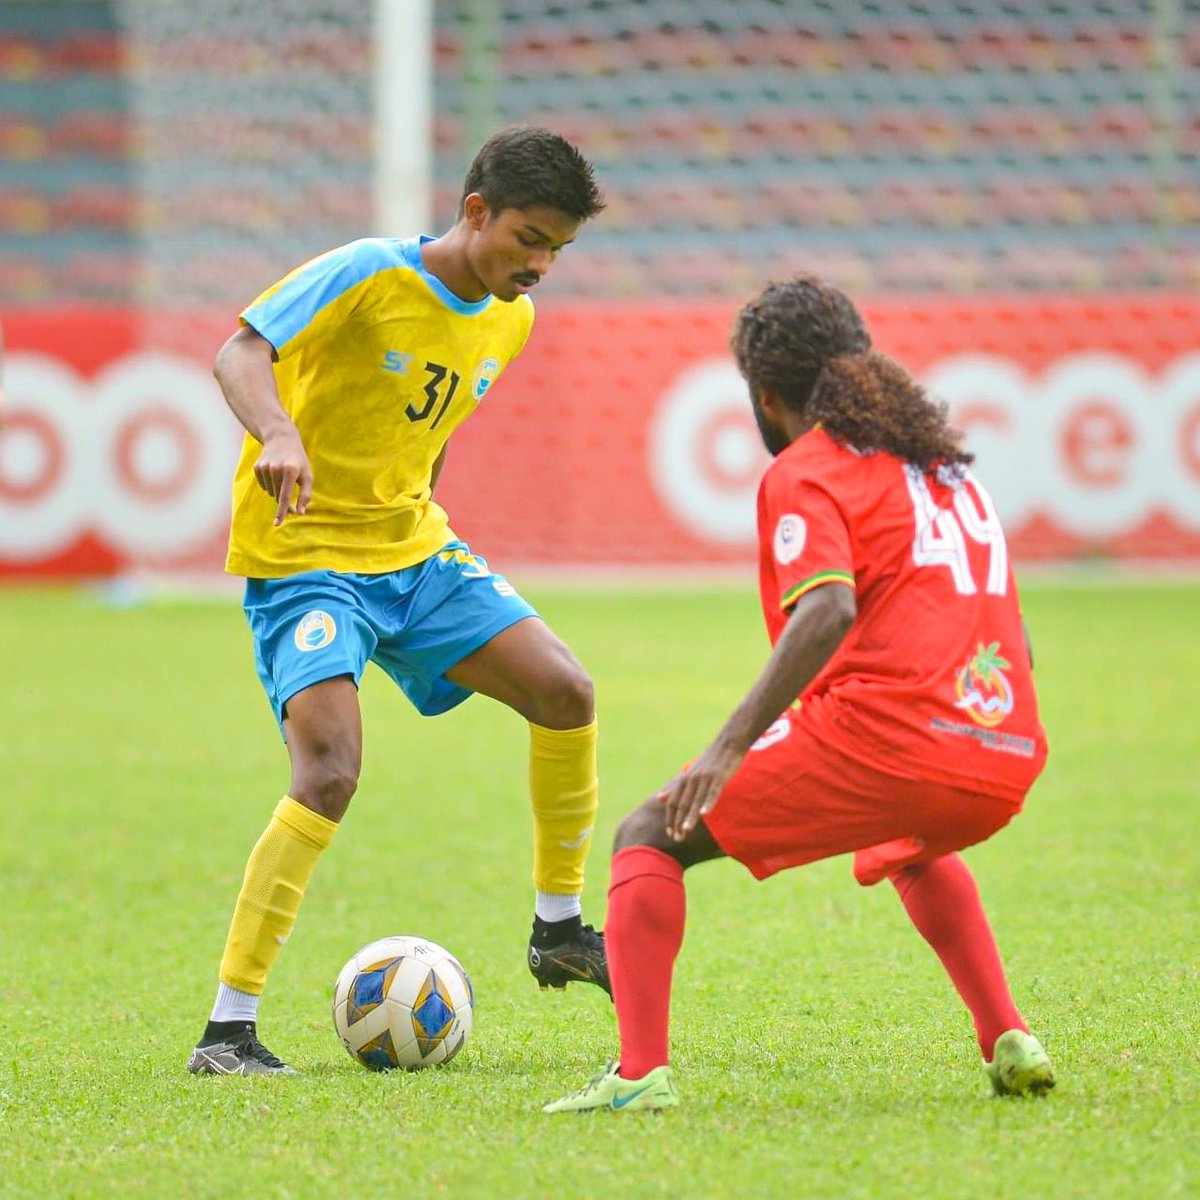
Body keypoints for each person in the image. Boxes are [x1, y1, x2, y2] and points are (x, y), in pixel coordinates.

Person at [544, 276, 1056, 1113]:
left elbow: (827, 607)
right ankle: (1008, 1036)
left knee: (649, 831)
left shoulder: (808, 470)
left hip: (897, 740)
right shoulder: (945, 469)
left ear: (766, 395)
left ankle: (639, 1077)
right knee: (909, 843)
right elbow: (1014, 634)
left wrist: (727, 746)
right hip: (1005, 754)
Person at [187, 127, 609, 1077]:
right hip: (305, 559)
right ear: (475, 211)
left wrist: (421, 519)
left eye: (556, 250)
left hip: (414, 554)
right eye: (528, 239)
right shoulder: (367, 273)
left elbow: (431, 426)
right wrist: (280, 435)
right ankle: (228, 1028)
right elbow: (238, 356)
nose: (539, 265)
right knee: (330, 771)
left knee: (566, 692)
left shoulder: (510, 317)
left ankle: (560, 926)